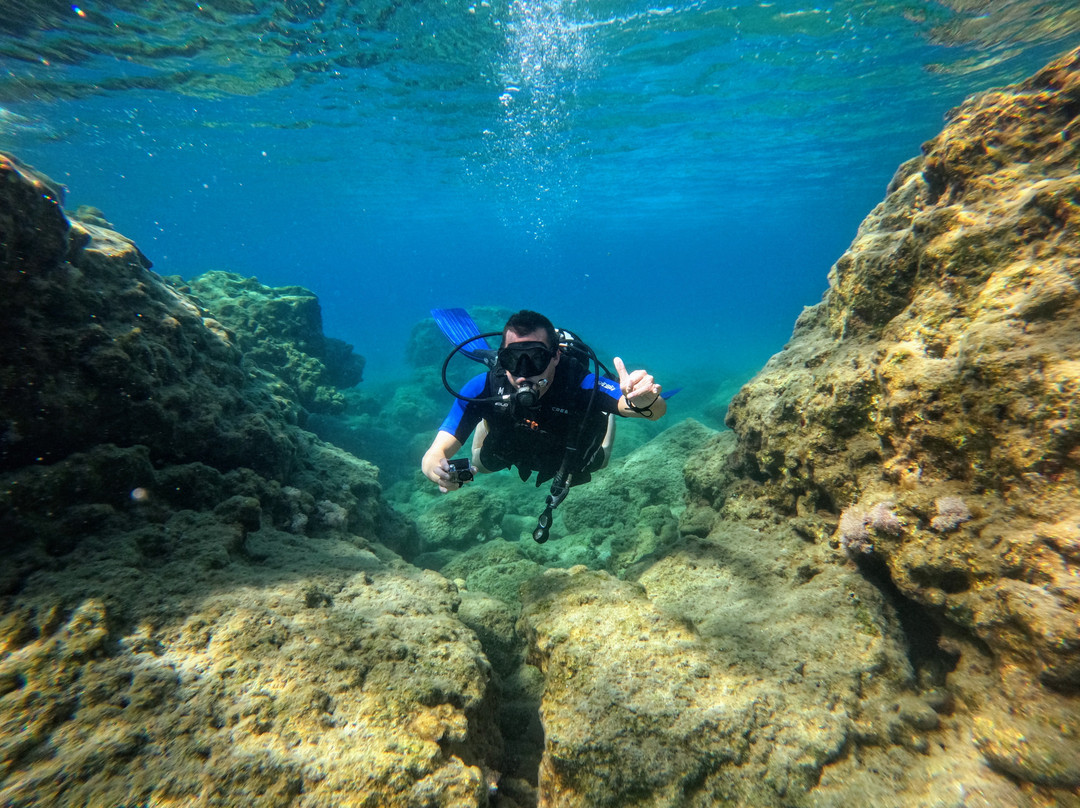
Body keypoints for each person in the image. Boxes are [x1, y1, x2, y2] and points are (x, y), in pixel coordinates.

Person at [421, 309, 666, 494]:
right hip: (512, 440)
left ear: (556, 356)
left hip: (569, 446)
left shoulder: (581, 381)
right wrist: (437, 471)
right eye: (513, 360)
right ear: (502, 359)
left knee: (599, 461)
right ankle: (487, 418)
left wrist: (644, 400)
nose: (523, 373)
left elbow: (653, 412)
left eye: (536, 358)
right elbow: (434, 454)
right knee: (480, 463)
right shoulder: (483, 386)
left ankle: (605, 412)